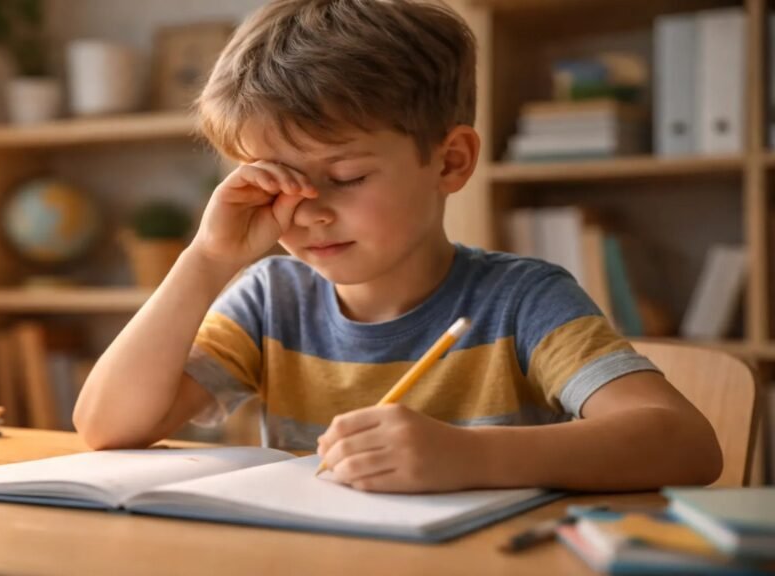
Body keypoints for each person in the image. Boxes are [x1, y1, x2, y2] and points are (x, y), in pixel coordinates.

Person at [73, 0, 722, 493]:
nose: (311, 213)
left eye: (347, 176)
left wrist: (468, 457)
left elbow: (686, 444)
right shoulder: (269, 301)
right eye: (277, 184)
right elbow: (106, 426)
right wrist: (206, 259)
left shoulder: (523, 299)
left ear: (450, 162)